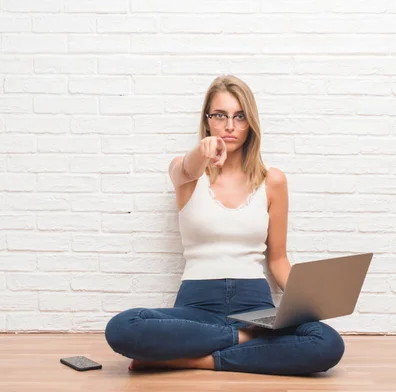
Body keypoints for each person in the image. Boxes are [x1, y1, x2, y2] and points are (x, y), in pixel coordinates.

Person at [104, 75, 345, 376]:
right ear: (207, 122)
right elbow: (187, 168)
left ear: (250, 123)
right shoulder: (187, 173)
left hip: (256, 308)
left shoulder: (273, 181)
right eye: (220, 115)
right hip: (197, 308)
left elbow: (278, 260)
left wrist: (308, 302)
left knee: (327, 342)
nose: (230, 126)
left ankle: (196, 359)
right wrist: (201, 154)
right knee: (123, 327)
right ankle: (245, 343)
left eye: (240, 116)